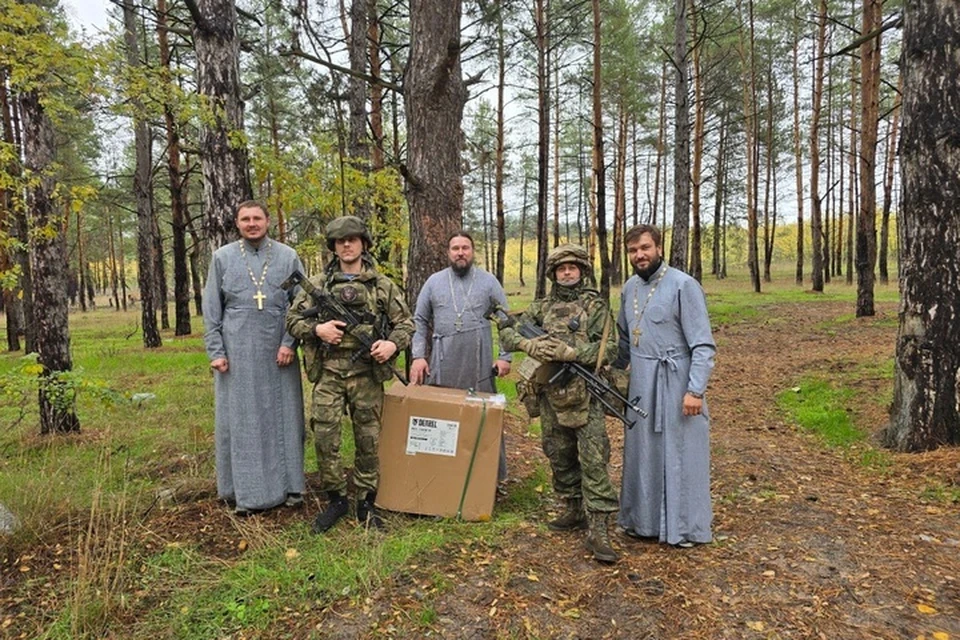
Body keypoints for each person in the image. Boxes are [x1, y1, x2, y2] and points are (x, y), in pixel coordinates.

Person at [286, 215, 414, 532]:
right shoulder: (316, 286)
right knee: (326, 437)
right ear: (333, 247)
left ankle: (366, 502)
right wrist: (318, 329)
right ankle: (336, 501)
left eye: (352, 240)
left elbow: (407, 324)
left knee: (368, 439)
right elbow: (291, 321)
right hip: (328, 373)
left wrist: (390, 345)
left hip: (366, 373)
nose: (346, 245)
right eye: (340, 241)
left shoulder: (382, 285)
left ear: (363, 244)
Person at [498, 244, 621, 563]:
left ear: (582, 271)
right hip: (550, 391)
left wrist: (573, 354)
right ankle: (572, 508)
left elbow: (609, 351)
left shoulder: (594, 306)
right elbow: (508, 335)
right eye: (561, 268)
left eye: (573, 268)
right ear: (553, 274)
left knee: (593, 458)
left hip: (585, 392)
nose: (567, 272)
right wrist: (528, 344)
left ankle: (599, 528)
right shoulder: (540, 307)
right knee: (558, 452)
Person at [615, 224, 716, 548]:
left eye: (645, 248)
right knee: (643, 454)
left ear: (659, 247)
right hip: (642, 383)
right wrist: (609, 372)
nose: (639, 255)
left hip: (676, 383)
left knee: (681, 455)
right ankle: (642, 523)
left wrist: (695, 390)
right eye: (633, 250)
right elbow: (622, 342)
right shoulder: (629, 288)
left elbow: (703, 345)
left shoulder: (684, 285)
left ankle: (683, 527)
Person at [202, 200, 306, 516]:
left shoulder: (288, 257)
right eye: (245, 219)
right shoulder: (222, 258)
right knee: (242, 418)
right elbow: (211, 308)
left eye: (257, 218)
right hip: (237, 352)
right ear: (237, 224)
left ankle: (290, 487)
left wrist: (290, 342)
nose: (252, 224)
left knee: (284, 415)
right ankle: (241, 491)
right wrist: (216, 351)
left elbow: (301, 303)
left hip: (279, 351)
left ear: (268, 221)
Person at [409, 231, 512, 483]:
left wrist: (505, 356)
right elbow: (419, 321)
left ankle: (488, 478)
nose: (460, 252)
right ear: (448, 252)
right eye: (455, 248)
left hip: (479, 359)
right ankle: (443, 475)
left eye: (465, 247)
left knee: (483, 416)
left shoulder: (488, 281)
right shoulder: (434, 282)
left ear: (472, 251)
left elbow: (506, 320)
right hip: (443, 361)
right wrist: (418, 356)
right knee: (443, 417)